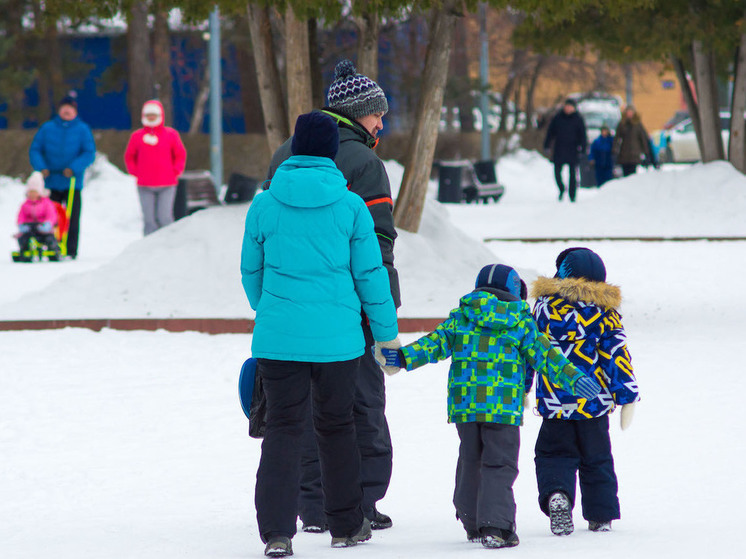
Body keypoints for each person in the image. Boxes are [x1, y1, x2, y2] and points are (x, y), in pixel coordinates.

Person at [241, 112, 399, 557]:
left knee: (283, 430)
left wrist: (270, 310)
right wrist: (386, 336)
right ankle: (347, 525)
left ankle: (276, 532)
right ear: (331, 149)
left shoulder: (264, 204)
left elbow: (250, 271)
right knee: (337, 427)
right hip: (339, 343)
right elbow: (371, 276)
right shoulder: (350, 205)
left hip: (279, 340)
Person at [376, 264, 602, 549]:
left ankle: (472, 521)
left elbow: (435, 343)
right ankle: (495, 527)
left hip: (465, 407)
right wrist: (575, 378)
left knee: (471, 459)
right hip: (503, 409)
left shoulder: (463, 316)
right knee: (499, 464)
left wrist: (405, 357)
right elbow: (547, 356)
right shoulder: (520, 321)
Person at [529, 247, 640, 536]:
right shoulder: (605, 313)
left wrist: (524, 386)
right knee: (597, 458)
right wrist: (626, 396)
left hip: (555, 402)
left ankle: (558, 494)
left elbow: (531, 350)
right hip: (594, 403)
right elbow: (616, 354)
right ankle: (601, 515)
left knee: (553, 454)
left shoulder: (542, 309)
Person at [29, 92, 96, 260]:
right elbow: (35, 149)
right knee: (51, 216)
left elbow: (89, 152)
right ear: (59, 110)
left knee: (72, 216)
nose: (67, 111)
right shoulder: (47, 128)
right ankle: (53, 246)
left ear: (75, 112)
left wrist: (74, 168)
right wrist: (41, 167)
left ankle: (71, 250)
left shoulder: (82, 129)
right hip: (51, 181)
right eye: (64, 108)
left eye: (70, 109)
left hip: (72, 182)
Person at [124, 100, 187, 235]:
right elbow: (129, 156)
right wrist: (135, 172)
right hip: (145, 185)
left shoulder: (171, 135)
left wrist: (176, 170)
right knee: (149, 220)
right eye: (148, 115)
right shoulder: (137, 136)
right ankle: (148, 248)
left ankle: (168, 244)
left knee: (165, 217)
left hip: (167, 184)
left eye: (154, 114)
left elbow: (180, 154)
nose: (151, 117)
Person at [543, 98, 587, 202]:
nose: (568, 108)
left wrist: (583, 148)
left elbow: (583, 136)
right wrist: (547, 145)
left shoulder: (578, 119)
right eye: (566, 106)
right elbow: (550, 132)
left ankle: (572, 195)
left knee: (573, 174)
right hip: (559, 148)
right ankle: (562, 188)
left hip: (573, 149)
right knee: (557, 172)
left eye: (570, 106)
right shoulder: (558, 118)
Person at [15, 172, 60, 260]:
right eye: (30, 192)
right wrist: (21, 224)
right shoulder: (25, 204)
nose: (32, 194)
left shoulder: (46, 203)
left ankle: (53, 249)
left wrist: (48, 224)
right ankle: (24, 250)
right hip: (30, 228)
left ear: (39, 192)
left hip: (43, 228)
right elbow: (21, 216)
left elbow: (51, 215)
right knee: (23, 238)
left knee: (49, 238)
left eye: (34, 192)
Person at [613, 105, 654, 176]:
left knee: (632, 173)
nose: (629, 114)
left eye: (631, 112)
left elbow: (643, 139)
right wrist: (615, 151)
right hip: (624, 154)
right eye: (628, 112)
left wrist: (646, 152)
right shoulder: (622, 124)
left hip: (635, 155)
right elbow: (617, 139)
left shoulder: (638, 124)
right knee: (625, 174)